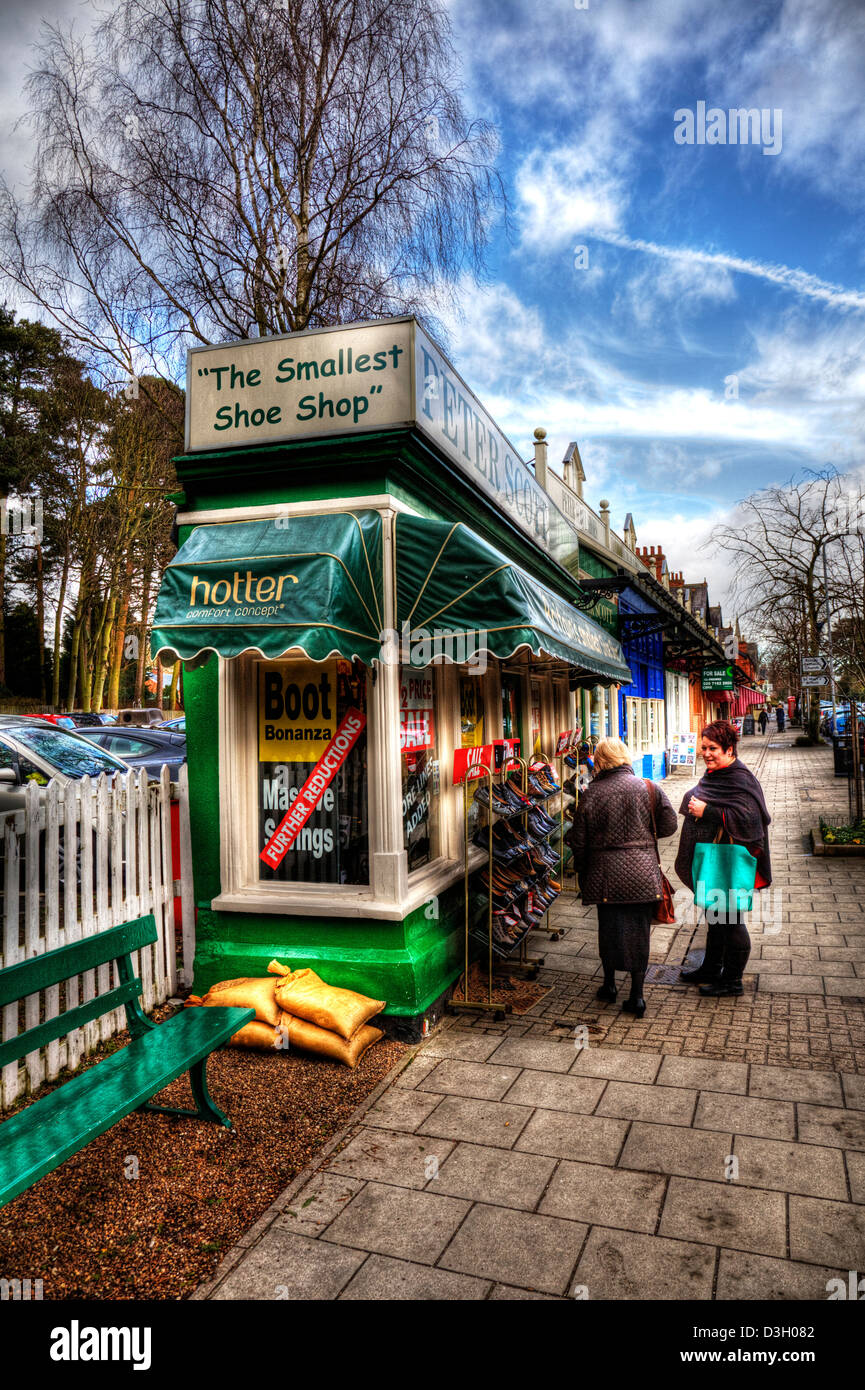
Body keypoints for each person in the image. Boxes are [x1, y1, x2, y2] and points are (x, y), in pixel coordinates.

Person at [567, 736, 677, 1017]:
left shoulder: (591, 793)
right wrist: (643, 838)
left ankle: (609, 986)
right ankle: (637, 996)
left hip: (605, 875)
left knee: (609, 929)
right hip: (642, 873)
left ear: (601, 761)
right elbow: (669, 825)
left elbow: (579, 841)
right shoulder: (648, 787)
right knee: (639, 933)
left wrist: (582, 870)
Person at [675, 719, 771, 997]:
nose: (706, 753)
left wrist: (710, 812)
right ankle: (711, 968)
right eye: (703, 747)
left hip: (729, 862)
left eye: (713, 748)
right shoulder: (715, 775)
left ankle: (732, 981)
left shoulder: (740, 779)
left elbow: (752, 819)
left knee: (731, 920)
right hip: (714, 860)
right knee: (715, 917)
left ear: (730, 749)